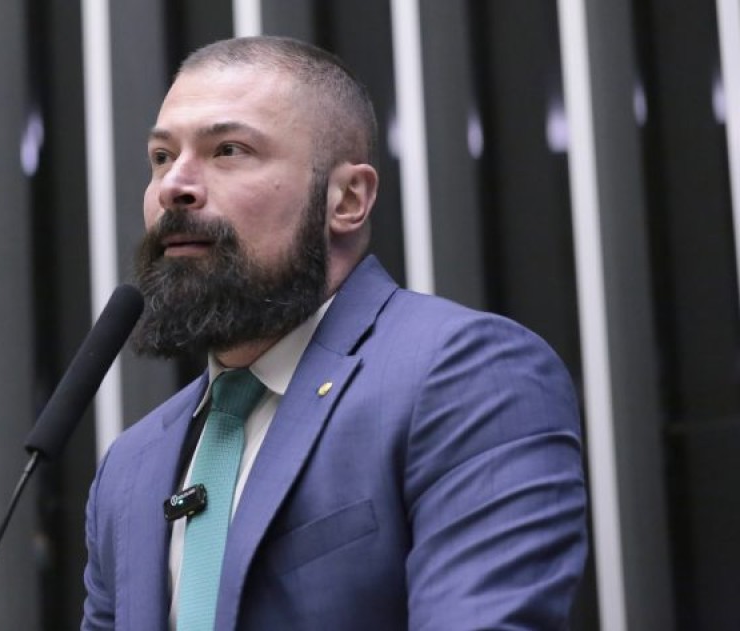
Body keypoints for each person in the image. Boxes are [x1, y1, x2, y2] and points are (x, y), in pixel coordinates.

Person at [82, 36, 588, 630]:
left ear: (347, 198)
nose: (174, 185)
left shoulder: (468, 377)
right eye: (162, 156)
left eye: (229, 150)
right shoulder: (131, 465)